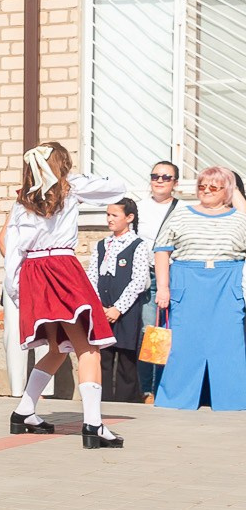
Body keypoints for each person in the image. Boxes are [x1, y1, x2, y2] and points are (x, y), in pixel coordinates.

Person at [4, 144, 132, 445]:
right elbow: (118, 187)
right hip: (61, 268)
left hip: (34, 272)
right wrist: (72, 179)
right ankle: (93, 424)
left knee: (57, 347)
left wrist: (16, 290)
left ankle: (24, 411)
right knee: (89, 347)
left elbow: (13, 249)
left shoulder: (22, 202)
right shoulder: (70, 189)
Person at [152, 166, 246, 412]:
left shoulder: (240, 217)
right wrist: (163, 288)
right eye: (202, 186)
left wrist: (233, 186)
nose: (206, 191)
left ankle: (232, 400)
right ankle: (176, 399)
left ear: (226, 190)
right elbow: (162, 249)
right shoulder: (181, 214)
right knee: (184, 344)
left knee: (229, 344)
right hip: (187, 279)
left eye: (214, 187)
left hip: (228, 283)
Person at [89, 198, 151, 404]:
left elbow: (139, 281)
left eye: (114, 215)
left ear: (129, 218)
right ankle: (102, 400)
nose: (109, 219)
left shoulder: (138, 246)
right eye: (107, 214)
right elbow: (92, 277)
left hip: (126, 310)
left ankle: (127, 401)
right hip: (102, 308)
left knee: (126, 358)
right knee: (103, 356)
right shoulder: (102, 245)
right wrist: (99, 306)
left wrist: (118, 308)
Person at [134, 160, 181, 401]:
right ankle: (147, 389)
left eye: (166, 177)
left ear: (175, 183)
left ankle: (168, 387)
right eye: (155, 176)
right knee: (149, 332)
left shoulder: (182, 209)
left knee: (173, 332)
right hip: (146, 276)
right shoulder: (139, 208)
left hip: (176, 275)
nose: (159, 181)